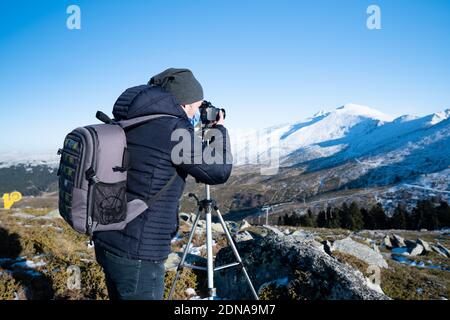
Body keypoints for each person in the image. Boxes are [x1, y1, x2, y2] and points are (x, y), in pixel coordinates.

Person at [93, 68, 232, 300]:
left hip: (109, 237)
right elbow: (218, 170)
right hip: (139, 251)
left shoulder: (134, 119)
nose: (199, 113)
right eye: (198, 107)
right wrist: (219, 130)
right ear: (185, 104)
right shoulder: (172, 129)